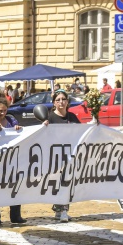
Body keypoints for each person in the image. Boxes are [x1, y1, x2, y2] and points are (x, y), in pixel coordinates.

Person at [42, 89, 80, 222]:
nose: (61, 102)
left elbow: (81, 131)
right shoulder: (51, 117)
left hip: (70, 153)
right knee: (59, 182)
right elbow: (44, 134)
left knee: (68, 182)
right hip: (56, 155)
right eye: (58, 100)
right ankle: (61, 209)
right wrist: (44, 125)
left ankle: (62, 209)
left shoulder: (72, 117)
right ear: (54, 103)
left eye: (63, 99)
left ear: (67, 101)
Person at [0, 97, 26, 225]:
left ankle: (15, 215)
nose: (2, 113)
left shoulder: (11, 120)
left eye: (4, 110)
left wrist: (18, 129)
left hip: (11, 160)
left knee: (15, 186)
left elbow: (19, 133)